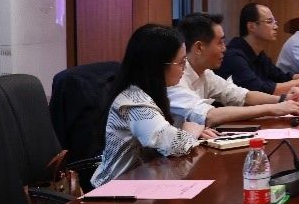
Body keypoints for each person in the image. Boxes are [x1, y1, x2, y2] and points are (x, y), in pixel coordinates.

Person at [91, 24, 216, 187]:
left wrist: (189, 131)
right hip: (114, 191)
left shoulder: (153, 92)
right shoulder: (133, 102)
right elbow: (172, 143)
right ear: (157, 65)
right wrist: (191, 131)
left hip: (142, 183)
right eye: (181, 62)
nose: (184, 68)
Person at [169, 13, 299, 128]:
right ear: (199, 48)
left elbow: (240, 95)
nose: (224, 48)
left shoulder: (205, 73)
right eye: (220, 43)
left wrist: (283, 100)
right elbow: (209, 115)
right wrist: (272, 108)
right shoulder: (173, 77)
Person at [217, 2, 299, 94]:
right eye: (269, 22)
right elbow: (258, 89)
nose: (276, 27)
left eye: (275, 22)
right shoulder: (233, 56)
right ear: (251, 26)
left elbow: (281, 77)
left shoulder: (259, 54)